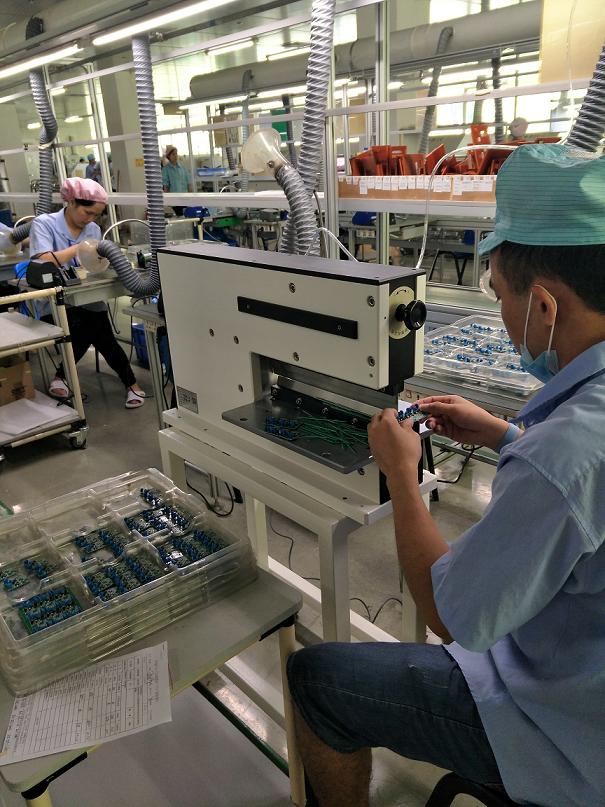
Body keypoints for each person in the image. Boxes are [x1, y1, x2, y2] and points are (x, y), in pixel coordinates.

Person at [287, 143, 605, 807]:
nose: (500, 314)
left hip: (567, 724)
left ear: (543, 306)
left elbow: (449, 614)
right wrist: (505, 434)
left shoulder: (564, 453)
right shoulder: (576, 432)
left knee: (314, 678)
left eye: (499, 295)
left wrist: (402, 476)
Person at [29, 177, 146, 409]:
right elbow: (43, 260)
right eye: (87, 212)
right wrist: (80, 249)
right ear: (71, 202)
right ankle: (131, 384)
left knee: (94, 324)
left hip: (86, 296)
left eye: (96, 215)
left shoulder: (92, 229)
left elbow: (97, 263)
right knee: (94, 327)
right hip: (53, 302)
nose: (90, 219)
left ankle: (62, 377)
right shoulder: (43, 224)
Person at [162, 146, 191, 216]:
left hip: (185, 198)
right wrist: (168, 200)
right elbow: (166, 187)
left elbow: (189, 184)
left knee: (187, 217)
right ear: (168, 156)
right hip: (175, 200)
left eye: (176, 153)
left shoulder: (183, 167)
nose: (175, 156)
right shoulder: (166, 169)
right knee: (179, 217)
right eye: (173, 154)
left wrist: (191, 197)